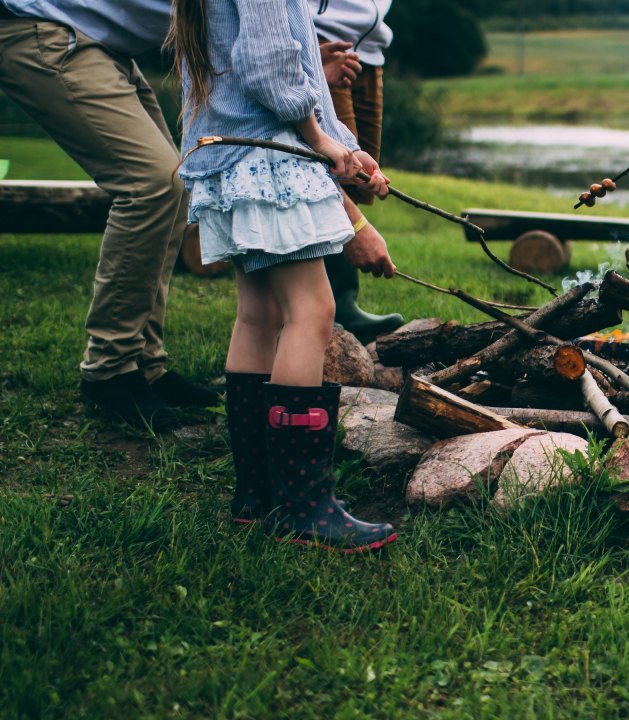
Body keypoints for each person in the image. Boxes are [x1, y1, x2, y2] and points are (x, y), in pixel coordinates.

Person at [169, 0, 398, 552]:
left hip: (231, 154)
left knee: (260, 315)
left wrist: (349, 146)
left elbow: (299, 71)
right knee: (311, 312)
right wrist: (320, 142)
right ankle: (303, 506)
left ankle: (258, 494)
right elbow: (269, 61)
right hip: (269, 156)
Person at [0, 0, 221, 431]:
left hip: (99, 41)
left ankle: (144, 361)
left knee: (174, 186)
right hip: (46, 26)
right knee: (153, 184)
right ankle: (110, 368)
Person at [312, 0, 406, 344]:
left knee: (358, 175)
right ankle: (334, 302)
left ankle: (340, 298)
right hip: (322, 39)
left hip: (370, 46)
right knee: (331, 168)